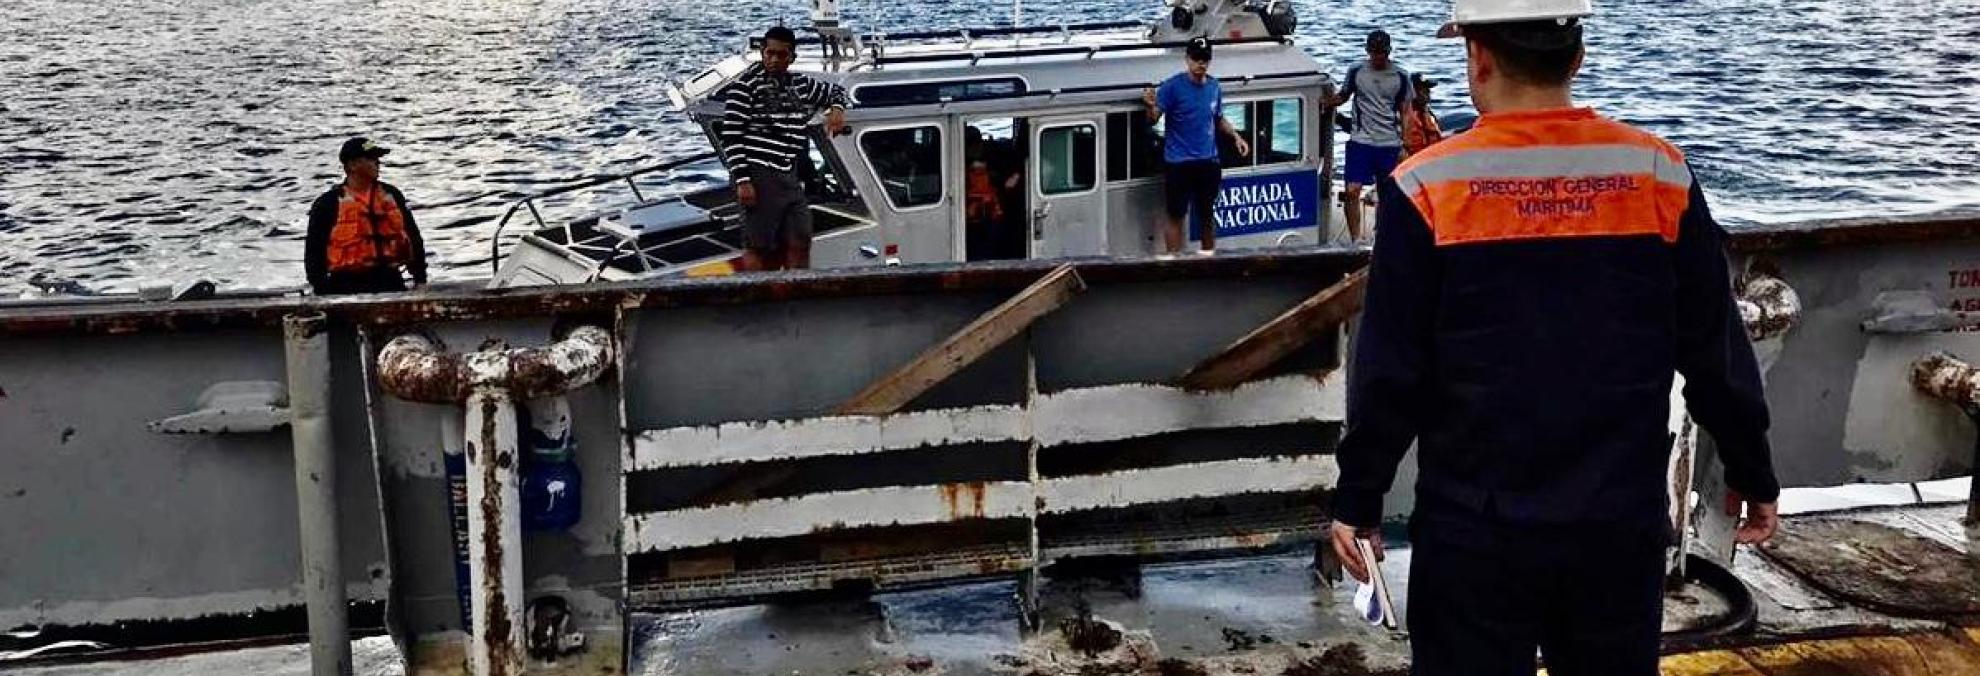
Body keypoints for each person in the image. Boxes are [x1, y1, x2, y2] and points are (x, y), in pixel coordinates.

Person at [1326, 2, 1781, 675]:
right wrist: (1751, 468)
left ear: (1476, 57)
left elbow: (1392, 374)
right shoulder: (1659, 175)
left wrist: (1360, 498)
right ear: (1577, 57)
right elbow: (1715, 350)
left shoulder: (1425, 189)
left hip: (1475, 532)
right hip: (1616, 525)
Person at [716, 25, 851, 272]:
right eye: (770, 53)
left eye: (781, 55)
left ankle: (798, 289)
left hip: (788, 174)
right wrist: (743, 181)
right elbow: (731, 136)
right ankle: (760, 298)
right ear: (762, 53)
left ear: (792, 57)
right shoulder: (744, 87)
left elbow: (838, 91)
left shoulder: (799, 84)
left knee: (801, 238)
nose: (774, 59)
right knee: (759, 245)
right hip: (759, 173)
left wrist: (837, 109)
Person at [1143, 37, 1250, 256]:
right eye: (1197, 59)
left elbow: (1218, 118)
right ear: (1187, 59)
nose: (1201, 64)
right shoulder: (1172, 87)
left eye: (1205, 59)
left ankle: (1208, 256)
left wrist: (1236, 137)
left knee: (1207, 213)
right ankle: (1174, 259)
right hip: (1178, 162)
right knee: (1176, 214)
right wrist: (1150, 105)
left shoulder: (1214, 86)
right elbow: (1154, 118)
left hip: (1208, 161)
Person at [305, 137, 427, 295]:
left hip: (390, 280)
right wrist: (321, 289)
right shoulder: (328, 203)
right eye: (371, 158)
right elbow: (314, 252)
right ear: (352, 165)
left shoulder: (391, 195)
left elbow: (413, 237)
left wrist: (420, 279)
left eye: (377, 158)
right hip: (345, 285)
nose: (377, 163)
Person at [1327, 30, 1411, 243]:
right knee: (1352, 189)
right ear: (1368, 51)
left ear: (1389, 51)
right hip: (1361, 141)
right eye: (1374, 52)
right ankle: (1355, 239)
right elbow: (1343, 96)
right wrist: (1326, 101)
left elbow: (1405, 111)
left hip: (1389, 143)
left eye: (1382, 52)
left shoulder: (1401, 75)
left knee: (1387, 194)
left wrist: (1405, 144)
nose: (1378, 56)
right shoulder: (1356, 71)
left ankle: (1382, 236)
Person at [1402, 73, 1445, 155]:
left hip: (1431, 157)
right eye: (1423, 90)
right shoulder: (1402, 117)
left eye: (1428, 89)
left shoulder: (1428, 114)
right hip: (1413, 162)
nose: (1428, 93)